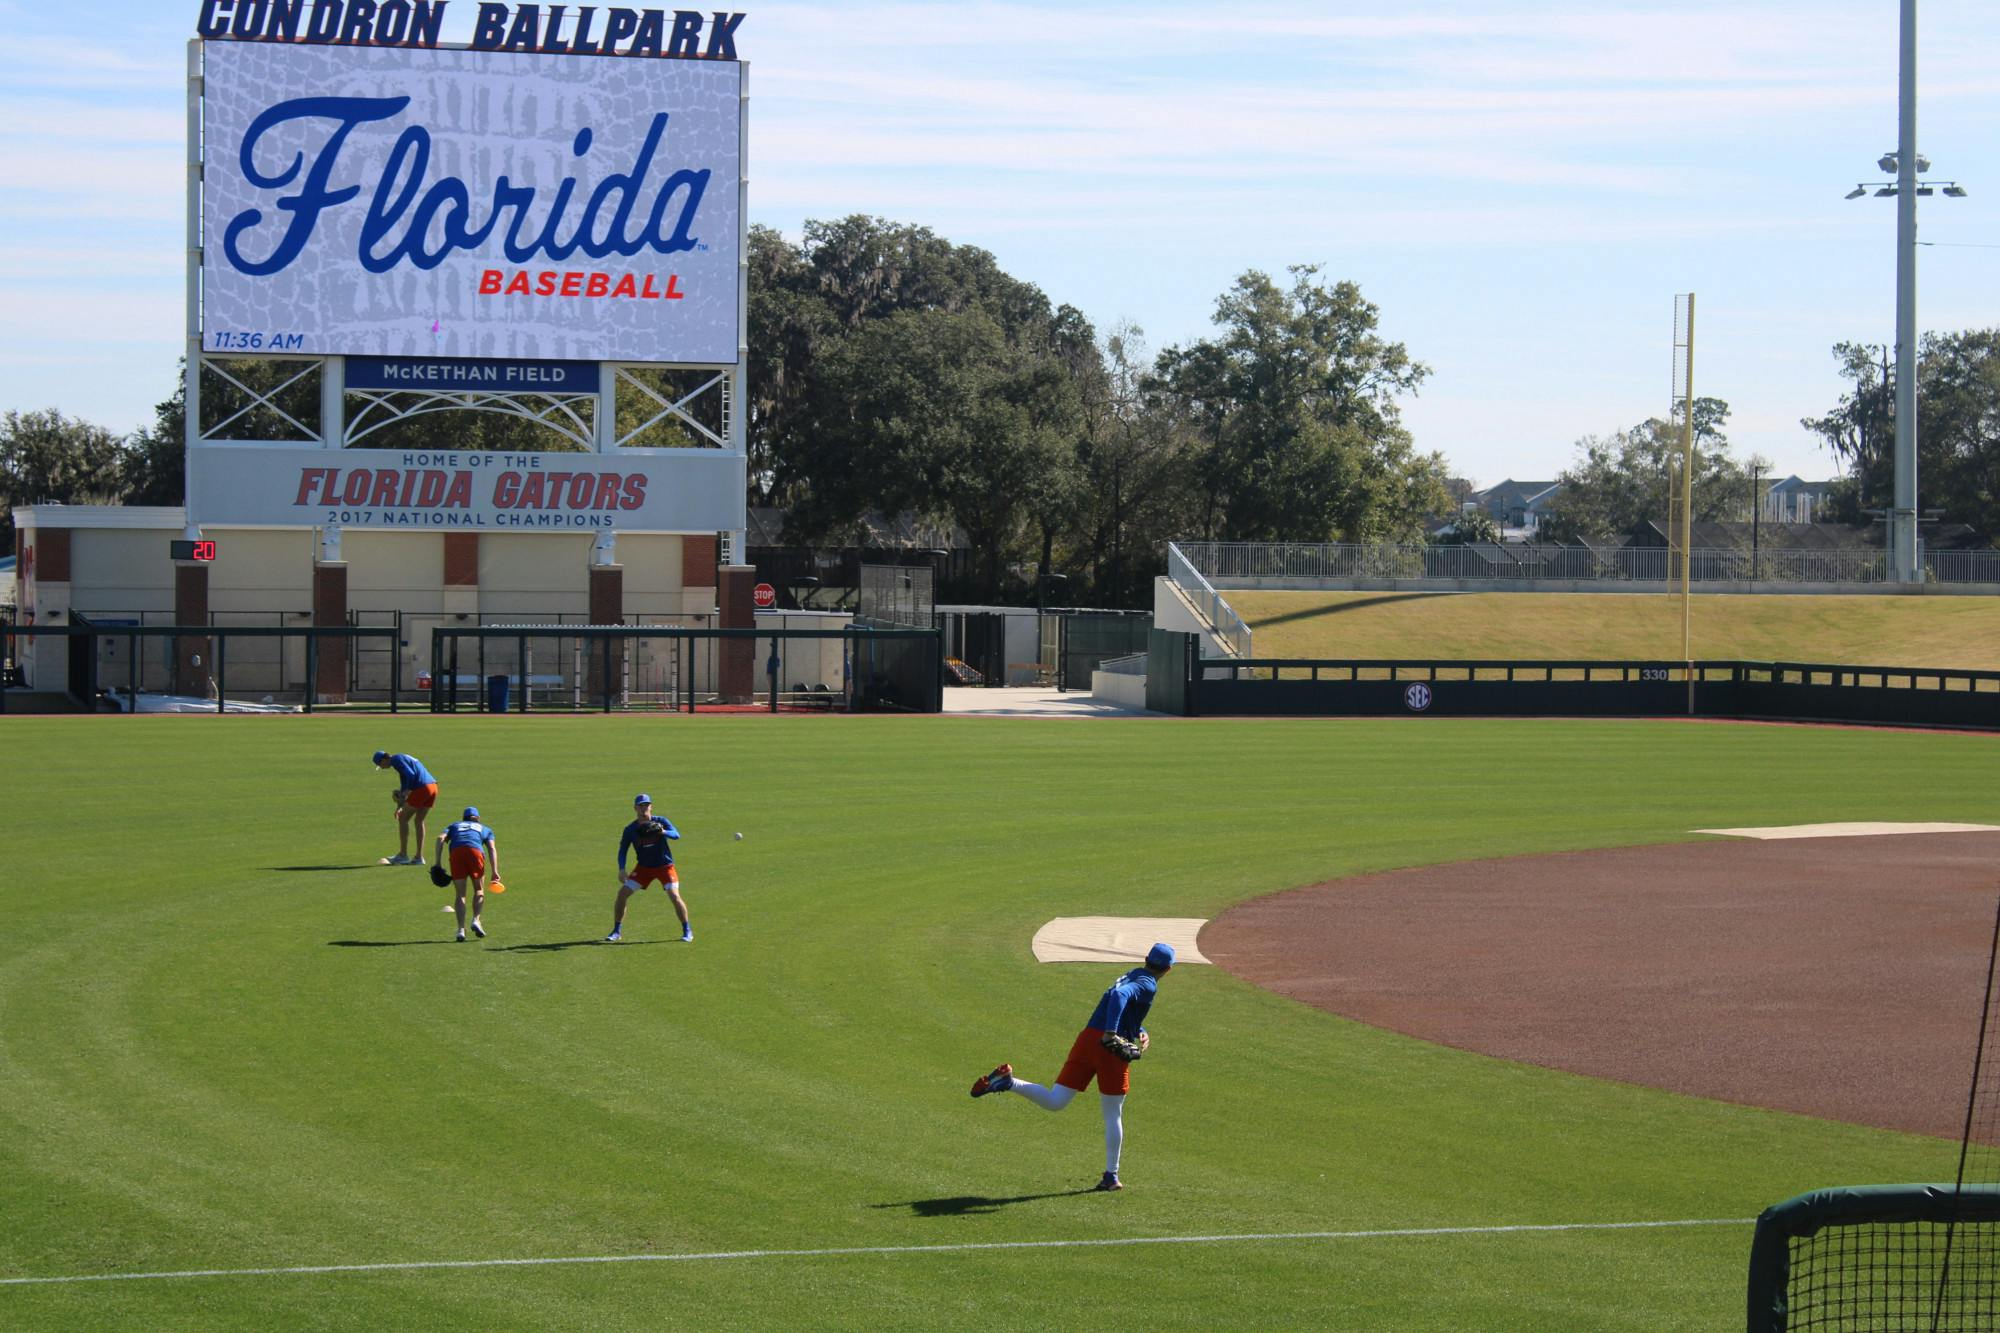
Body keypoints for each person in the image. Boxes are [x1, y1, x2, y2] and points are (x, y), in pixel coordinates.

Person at [969, 942, 1175, 1192]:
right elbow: (1120, 997)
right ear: (1168, 969)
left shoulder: (1133, 973)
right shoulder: (1148, 983)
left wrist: (1138, 1030)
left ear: (1146, 959)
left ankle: (1010, 1082)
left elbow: (1117, 998)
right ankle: (1111, 1176)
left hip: (1087, 1039)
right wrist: (1112, 1034)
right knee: (1113, 1114)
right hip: (1108, 1047)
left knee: (1056, 1100)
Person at [607, 793, 691, 943]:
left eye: (646, 805)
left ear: (651, 807)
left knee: (674, 895)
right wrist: (621, 868)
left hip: (665, 867)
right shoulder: (630, 829)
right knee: (622, 894)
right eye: (640, 805)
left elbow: (676, 835)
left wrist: (662, 831)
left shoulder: (661, 821)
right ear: (635, 808)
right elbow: (623, 850)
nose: (644, 808)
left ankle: (687, 930)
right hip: (644, 868)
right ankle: (616, 931)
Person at [434, 806, 499, 943]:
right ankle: (476, 920)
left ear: (463, 818)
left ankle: (460, 930)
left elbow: (440, 838)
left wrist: (438, 863)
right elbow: (492, 849)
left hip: (457, 853)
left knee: (460, 894)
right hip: (475, 853)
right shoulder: (486, 829)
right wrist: (494, 872)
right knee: (479, 890)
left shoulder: (454, 825)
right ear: (478, 819)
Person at [373, 750, 438, 865]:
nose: (382, 768)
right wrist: (400, 805)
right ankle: (419, 857)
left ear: (384, 759)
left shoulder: (396, 760)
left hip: (422, 788)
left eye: (380, 765)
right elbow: (405, 782)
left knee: (403, 819)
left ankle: (403, 855)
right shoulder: (400, 760)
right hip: (433, 787)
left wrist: (406, 792)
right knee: (419, 821)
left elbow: (410, 775)